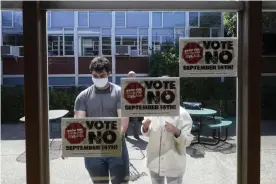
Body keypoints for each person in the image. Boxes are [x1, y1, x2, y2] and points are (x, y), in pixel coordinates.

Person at [74, 56, 130, 184]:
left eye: (102, 75)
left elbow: (123, 123)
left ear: (109, 73)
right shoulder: (82, 97)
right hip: (93, 150)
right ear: (91, 75)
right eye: (96, 75)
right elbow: (79, 123)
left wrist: (113, 139)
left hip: (117, 148)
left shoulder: (119, 93)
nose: (99, 78)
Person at [141, 85, 194, 184]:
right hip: (154, 162)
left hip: (174, 164)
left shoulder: (182, 114)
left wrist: (176, 131)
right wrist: (145, 127)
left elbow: (187, 141)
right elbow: (147, 134)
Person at [125, 71, 142, 140]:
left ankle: (136, 134)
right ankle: (125, 134)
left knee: (136, 121)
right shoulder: (125, 84)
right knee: (126, 120)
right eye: (130, 75)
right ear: (128, 77)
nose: (132, 77)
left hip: (136, 106)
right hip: (127, 106)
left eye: (133, 75)